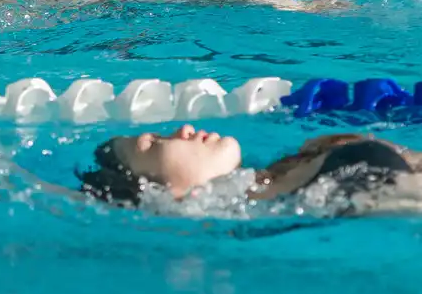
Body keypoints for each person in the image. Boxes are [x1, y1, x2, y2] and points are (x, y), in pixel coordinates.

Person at [78, 123, 422, 212]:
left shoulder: (299, 166)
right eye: (152, 143)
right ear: (157, 191)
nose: (183, 130)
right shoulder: (310, 198)